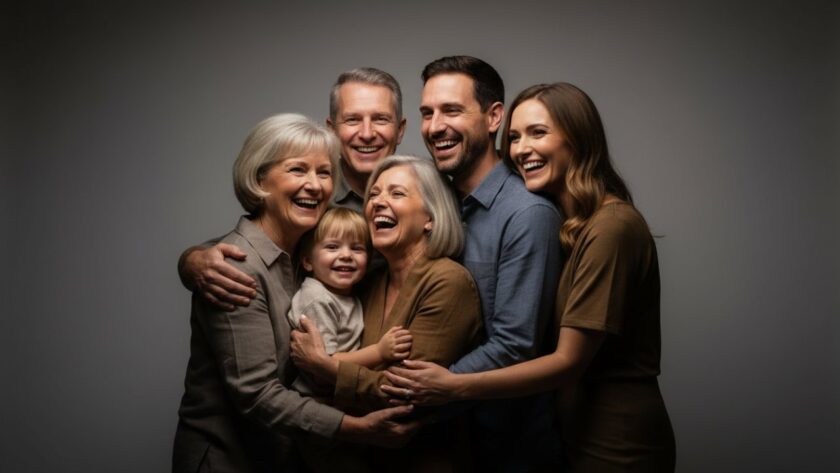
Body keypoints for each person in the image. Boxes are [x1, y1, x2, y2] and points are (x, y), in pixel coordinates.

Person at [383, 83, 677, 472]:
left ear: (578, 139)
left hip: (615, 440)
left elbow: (568, 362)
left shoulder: (611, 226)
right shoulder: (574, 225)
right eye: (515, 137)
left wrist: (451, 387)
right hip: (572, 432)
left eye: (538, 133)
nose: (521, 150)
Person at [172, 114, 415, 473]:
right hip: (228, 459)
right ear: (259, 179)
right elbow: (257, 394)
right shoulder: (234, 267)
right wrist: (357, 429)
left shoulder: (313, 251)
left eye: (324, 172)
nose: (314, 185)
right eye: (297, 170)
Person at [290, 155, 484, 472]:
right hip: (363, 457)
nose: (378, 203)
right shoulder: (370, 281)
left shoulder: (448, 282)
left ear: (430, 217)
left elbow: (405, 394)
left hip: (424, 460)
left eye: (396, 193)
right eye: (374, 194)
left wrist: (327, 368)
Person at [418, 56, 563, 471]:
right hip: (445, 447)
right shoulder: (436, 205)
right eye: (427, 113)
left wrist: (416, 397)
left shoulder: (528, 213)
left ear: (494, 117)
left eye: (451, 110)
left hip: (508, 448)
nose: (435, 126)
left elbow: (515, 345)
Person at [179, 67, 405, 309]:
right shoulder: (314, 198)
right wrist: (192, 261)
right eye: (352, 120)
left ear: (400, 130)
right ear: (332, 130)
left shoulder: (421, 195)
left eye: (381, 119)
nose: (367, 133)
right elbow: (248, 244)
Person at [286, 207, 412, 396]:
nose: (346, 255)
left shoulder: (345, 294)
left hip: (340, 391)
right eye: (332, 247)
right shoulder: (317, 299)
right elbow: (324, 364)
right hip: (316, 397)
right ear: (308, 261)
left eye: (356, 248)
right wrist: (379, 352)